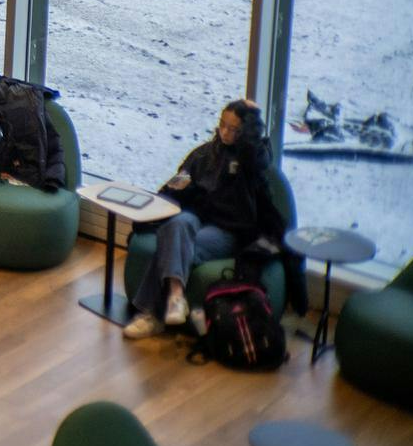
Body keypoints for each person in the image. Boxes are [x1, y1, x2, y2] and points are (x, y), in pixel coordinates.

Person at [123, 99, 292, 340]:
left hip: (227, 231)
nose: (224, 132)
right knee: (177, 225)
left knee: (172, 246)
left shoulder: (252, 158)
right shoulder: (205, 154)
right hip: (197, 218)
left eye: (233, 129)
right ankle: (176, 297)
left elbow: (255, 155)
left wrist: (253, 116)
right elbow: (175, 184)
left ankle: (152, 315)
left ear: (244, 131)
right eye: (222, 125)